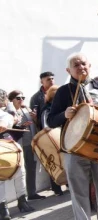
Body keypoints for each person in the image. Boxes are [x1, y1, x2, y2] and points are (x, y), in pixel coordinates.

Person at [47, 53, 98, 220]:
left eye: (83, 63)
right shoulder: (63, 91)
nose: (81, 67)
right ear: (68, 70)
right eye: (76, 65)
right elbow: (51, 120)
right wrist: (64, 114)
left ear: (89, 66)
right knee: (79, 191)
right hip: (74, 149)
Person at [0, 89, 35, 220]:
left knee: (20, 173)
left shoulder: (6, 114)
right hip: (3, 149)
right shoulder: (6, 114)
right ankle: (3, 209)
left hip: (9, 146)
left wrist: (19, 127)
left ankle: (22, 201)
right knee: (0, 178)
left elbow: (7, 125)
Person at [8, 91, 44, 201]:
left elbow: (36, 123)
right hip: (17, 144)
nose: (21, 100)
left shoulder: (26, 109)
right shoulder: (9, 112)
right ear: (12, 99)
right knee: (20, 170)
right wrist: (21, 125)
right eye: (18, 98)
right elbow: (9, 127)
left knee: (31, 167)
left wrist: (34, 118)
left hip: (29, 143)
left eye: (23, 97)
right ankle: (21, 197)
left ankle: (32, 193)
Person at [39, 85, 64, 196]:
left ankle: (67, 183)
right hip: (53, 138)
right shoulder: (47, 109)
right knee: (55, 163)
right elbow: (47, 126)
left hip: (62, 137)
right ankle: (56, 188)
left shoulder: (60, 107)